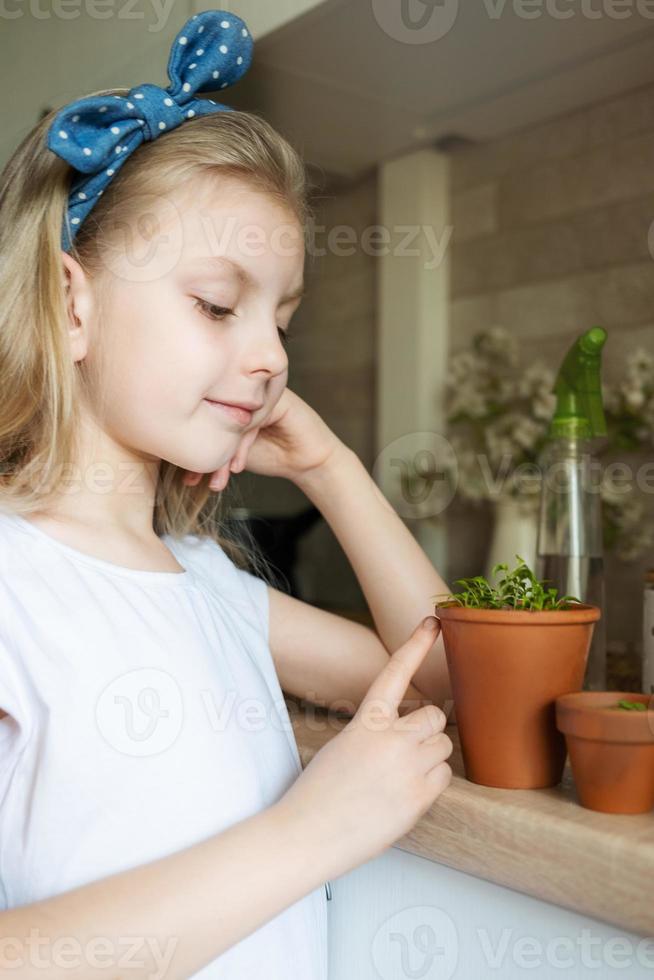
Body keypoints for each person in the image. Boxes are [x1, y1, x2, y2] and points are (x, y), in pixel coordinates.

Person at [0, 8, 454, 979]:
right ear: (71, 301)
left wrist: (333, 466)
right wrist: (314, 828)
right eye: (217, 302)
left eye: (281, 317)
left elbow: (442, 677)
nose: (271, 358)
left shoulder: (207, 581)